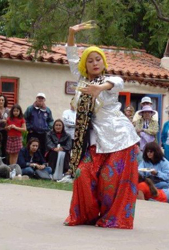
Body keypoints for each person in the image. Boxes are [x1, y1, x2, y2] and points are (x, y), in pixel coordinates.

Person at [64, 23, 140, 229]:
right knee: (82, 173)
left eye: (98, 59)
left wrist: (100, 87)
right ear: (85, 66)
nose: (95, 63)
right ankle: (85, 215)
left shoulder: (108, 80)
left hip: (119, 138)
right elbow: (71, 56)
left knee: (110, 179)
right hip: (95, 140)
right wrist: (71, 34)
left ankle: (113, 218)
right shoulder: (81, 80)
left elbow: (119, 81)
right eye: (90, 60)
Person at [0, 94, 10, 161]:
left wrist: (6, 121)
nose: (1, 101)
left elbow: (9, 120)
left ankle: (4, 161)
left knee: (4, 146)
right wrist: (1, 121)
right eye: (0, 100)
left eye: (2, 100)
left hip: (5, 130)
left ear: (5, 101)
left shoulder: (7, 110)